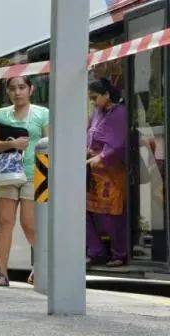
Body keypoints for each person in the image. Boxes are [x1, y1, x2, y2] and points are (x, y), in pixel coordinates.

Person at [0, 76, 49, 286]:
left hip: (34, 175)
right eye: (13, 88)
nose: (17, 92)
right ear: (8, 92)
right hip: (6, 174)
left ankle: (42, 266)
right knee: (4, 223)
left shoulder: (42, 113)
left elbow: (49, 143)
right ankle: (2, 274)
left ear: (30, 89)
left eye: (22, 87)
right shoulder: (0, 114)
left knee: (29, 224)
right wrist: (11, 144)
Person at [86, 78, 128, 267]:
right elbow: (89, 134)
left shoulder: (120, 113)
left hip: (111, 170)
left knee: (111, 214)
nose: (93, 102)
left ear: (107, 95)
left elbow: (118, 144)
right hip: (93, 170)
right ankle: (96, 251)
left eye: (95, 97)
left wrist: (101, 158)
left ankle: (119, 253)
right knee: (85, 212)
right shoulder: (96, 112)